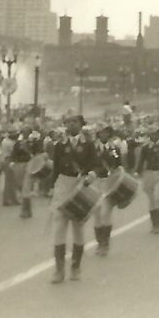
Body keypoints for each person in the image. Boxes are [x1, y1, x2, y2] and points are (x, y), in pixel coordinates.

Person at [47, 118, 101, 283]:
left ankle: (76, 267)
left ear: (81, 124)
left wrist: (91, 175)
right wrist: (51, 188)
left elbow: (97, 165)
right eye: (68, 122)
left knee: (78, 227)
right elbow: (56, 169)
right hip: (63, 185)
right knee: (59, 226)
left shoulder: (89, 144)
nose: (71, 125)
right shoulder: (60, 145)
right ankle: (59, 270)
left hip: (80, 186)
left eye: (75, 122)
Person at [92, 125, 124, 256]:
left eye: (106, 132)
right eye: (101, 132)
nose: (103, 135)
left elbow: (118, 165)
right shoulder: (92, 148)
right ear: (98, 134)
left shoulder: (114, 148)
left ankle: (105, 244)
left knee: (106, 213)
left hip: (109, 181)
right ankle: (99, 243)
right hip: (95, 182)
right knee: (96, 214)